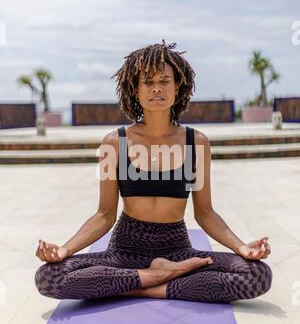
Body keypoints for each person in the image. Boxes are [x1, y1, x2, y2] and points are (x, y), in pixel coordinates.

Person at [34, 40, 272, 303]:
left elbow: (205, 213)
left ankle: (140, 284)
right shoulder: (113, 143)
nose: (157, 87)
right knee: (48, 277)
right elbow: (104, 214)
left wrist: (241, 247)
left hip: (177, 248)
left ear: (177, 86)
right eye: (147, 82)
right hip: (125, 251)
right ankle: (159, 277)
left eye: (164, 81)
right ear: (135, 90)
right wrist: (65, 249)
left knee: (257, 275)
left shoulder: (197, 143)